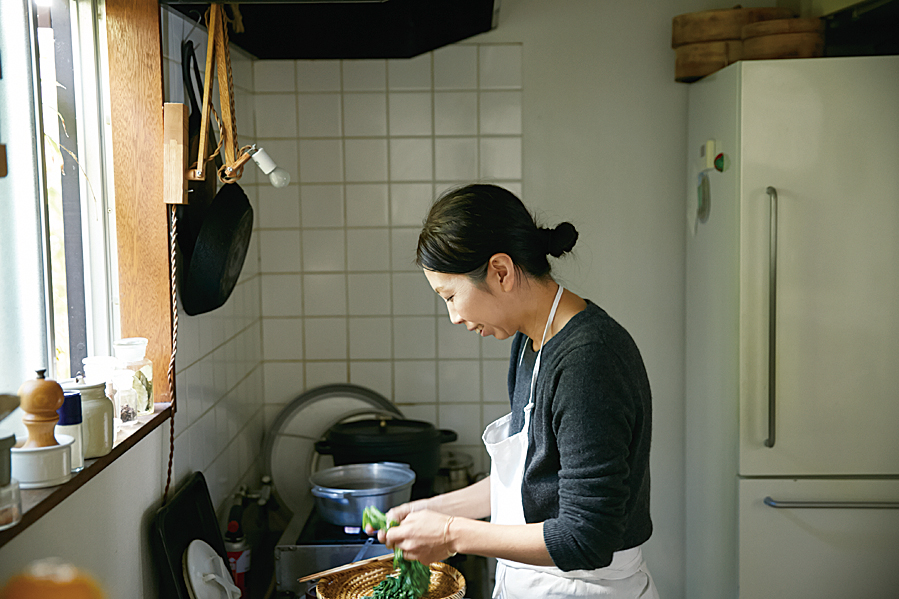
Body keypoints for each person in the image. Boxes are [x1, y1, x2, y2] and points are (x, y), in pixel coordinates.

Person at [367, 183, 659, 598]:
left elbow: (587, 537)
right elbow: (533, 482)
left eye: (451, 296)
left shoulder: (589, 361)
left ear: (500, 271)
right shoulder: (529, 340)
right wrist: (431, 510)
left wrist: (451, 535)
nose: (453, 316)